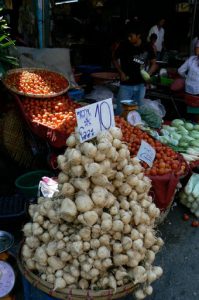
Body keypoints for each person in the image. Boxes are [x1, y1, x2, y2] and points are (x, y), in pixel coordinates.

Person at [112, 23, 157, 114]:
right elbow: (114, 59)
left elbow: (154, 64)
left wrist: (147, 76)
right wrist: (121, 72)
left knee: (136, 111)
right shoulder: (124, 45)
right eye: (128, 36)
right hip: (126, 84)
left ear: (138, 36)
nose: (129, 38)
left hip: (141, 85)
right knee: (121, 111)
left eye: (131, 36)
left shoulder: (147, 46)